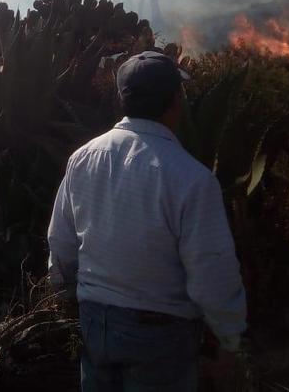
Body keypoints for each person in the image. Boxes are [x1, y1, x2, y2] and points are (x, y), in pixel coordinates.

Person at [47, 51, 246, 391]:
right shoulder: (192, 179)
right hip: (161, 335)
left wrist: (63, 297)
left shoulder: (83, 159)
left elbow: (61, 243)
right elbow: (211, 270)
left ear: (122, 99)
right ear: (175, 101)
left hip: (95, 322)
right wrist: (229, 339)